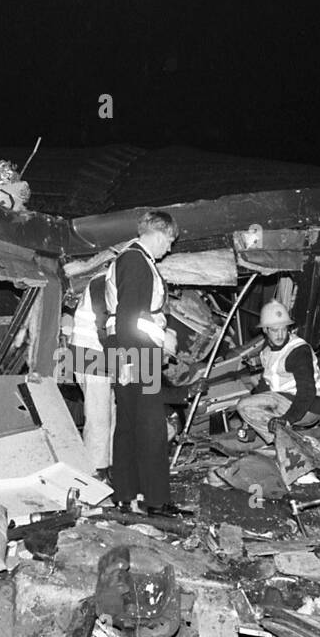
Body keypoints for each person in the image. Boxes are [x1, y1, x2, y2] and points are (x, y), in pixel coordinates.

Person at [105, 211, 183, 515]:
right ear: (159, 232)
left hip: (128, 351)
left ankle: (125, 495)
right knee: (151, 426)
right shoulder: (137, 262)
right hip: (137, 354)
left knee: (127, 425)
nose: (170, 248)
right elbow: (129, 316)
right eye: (170, 240)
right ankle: (156, 501)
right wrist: (128, 362)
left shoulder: (129, 259)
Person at [236, 300, 320, 444]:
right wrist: (248, 418)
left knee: (243, 406)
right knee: (245, 403)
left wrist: (287, 419)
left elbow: (307, 391)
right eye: (274, 330)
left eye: (284, 329)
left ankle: (282, 441)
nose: (280, 335)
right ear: (265, 330)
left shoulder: (298, 351)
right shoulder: (267, 350)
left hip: (308, 406)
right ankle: (278, 435)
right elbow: (266, 383)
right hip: (284, 399)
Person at [67, 269, 114, 481]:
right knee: (99, 416)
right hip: (91, 355)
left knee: (109, 413)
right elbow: (103, 326)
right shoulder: (103, 283)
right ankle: (95, 472)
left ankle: (109, 465)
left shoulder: (111, 280)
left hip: (97, 354)